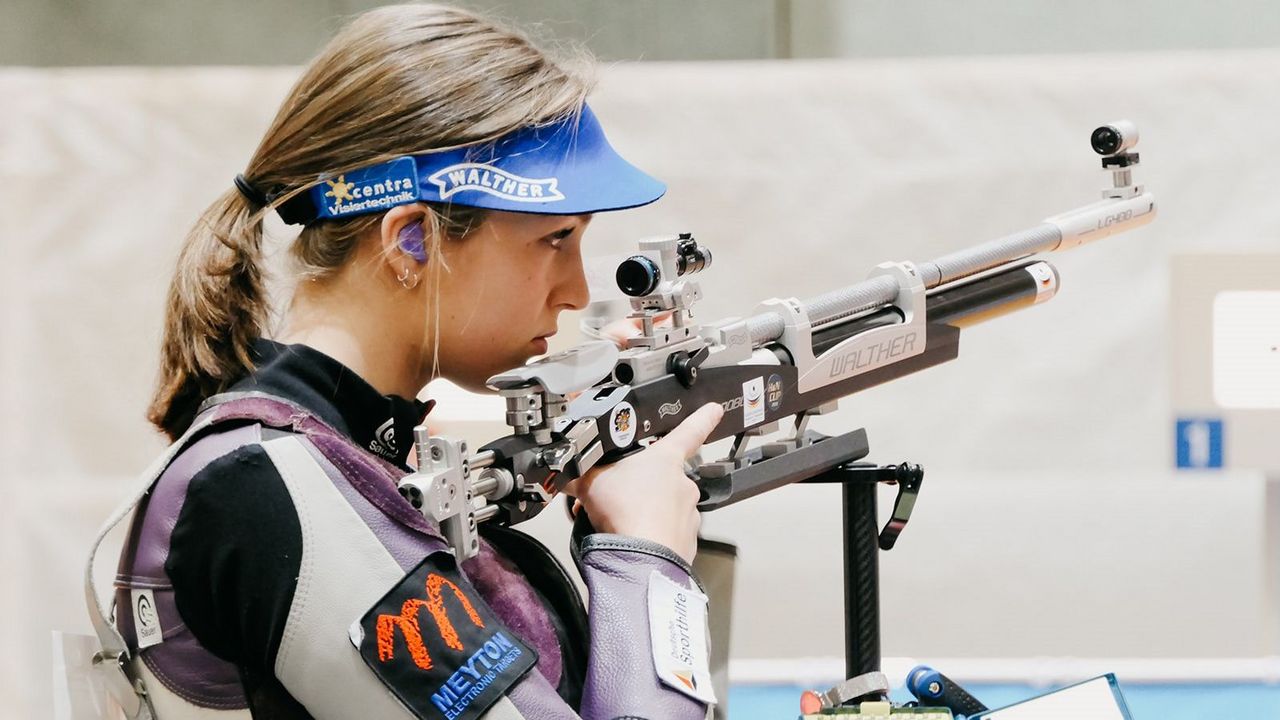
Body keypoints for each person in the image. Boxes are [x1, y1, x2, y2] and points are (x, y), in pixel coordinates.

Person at [99, 5, 724, 719]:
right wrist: (646, 558)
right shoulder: (265, 488)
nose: (578, 289)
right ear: (412, 243)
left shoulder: (353, 455)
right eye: (554, 238)